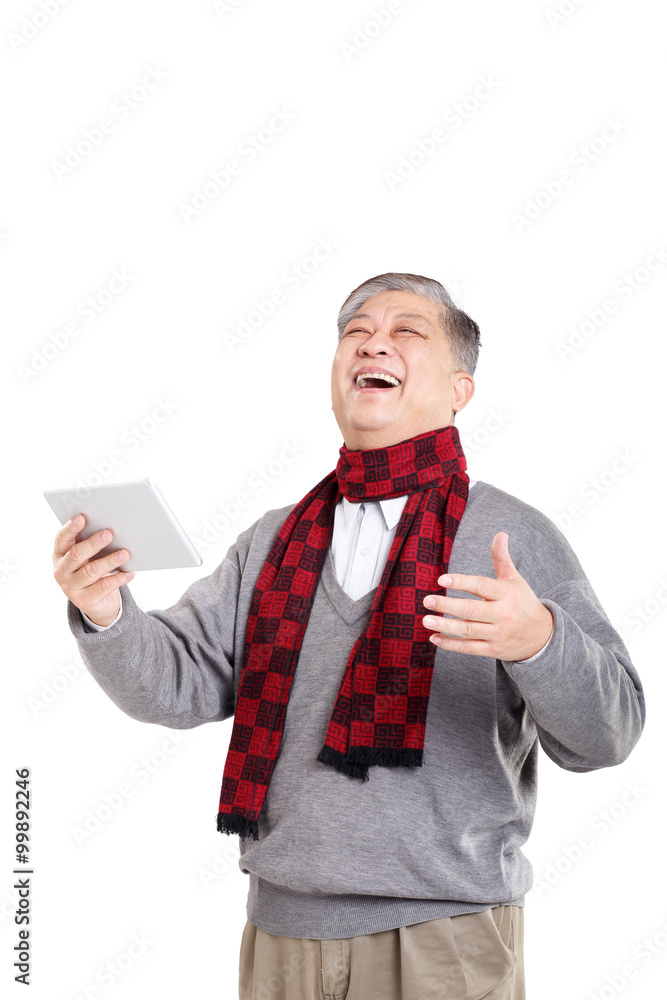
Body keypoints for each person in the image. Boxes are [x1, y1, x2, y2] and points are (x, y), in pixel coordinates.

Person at [52, 272, 645, 1000]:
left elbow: (607, 737)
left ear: (459, 390)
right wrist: (106, 608)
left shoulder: (511, 536)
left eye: (406, 331)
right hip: (280, 933)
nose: (373, 341)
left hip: (445, 937)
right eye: (355, 331)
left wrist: (539, 641)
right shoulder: (273, 539)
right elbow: (178, 684)